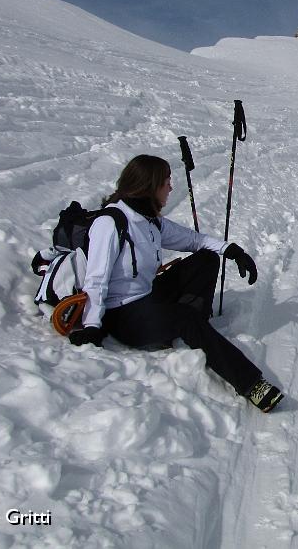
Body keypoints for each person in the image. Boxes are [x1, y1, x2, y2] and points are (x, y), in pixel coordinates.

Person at [68, 154, 283, 413]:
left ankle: (192, 329)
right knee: (185, 318)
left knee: (206, 260)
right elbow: (96, 278)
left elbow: (194, 240)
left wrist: (232, 250)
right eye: (166, 182)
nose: (171, 187)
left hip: (147, 300)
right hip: (123, 317)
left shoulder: (149, 221)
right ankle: (251, 384)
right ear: (149, 186)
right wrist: (92, 324)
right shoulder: (110, 223)